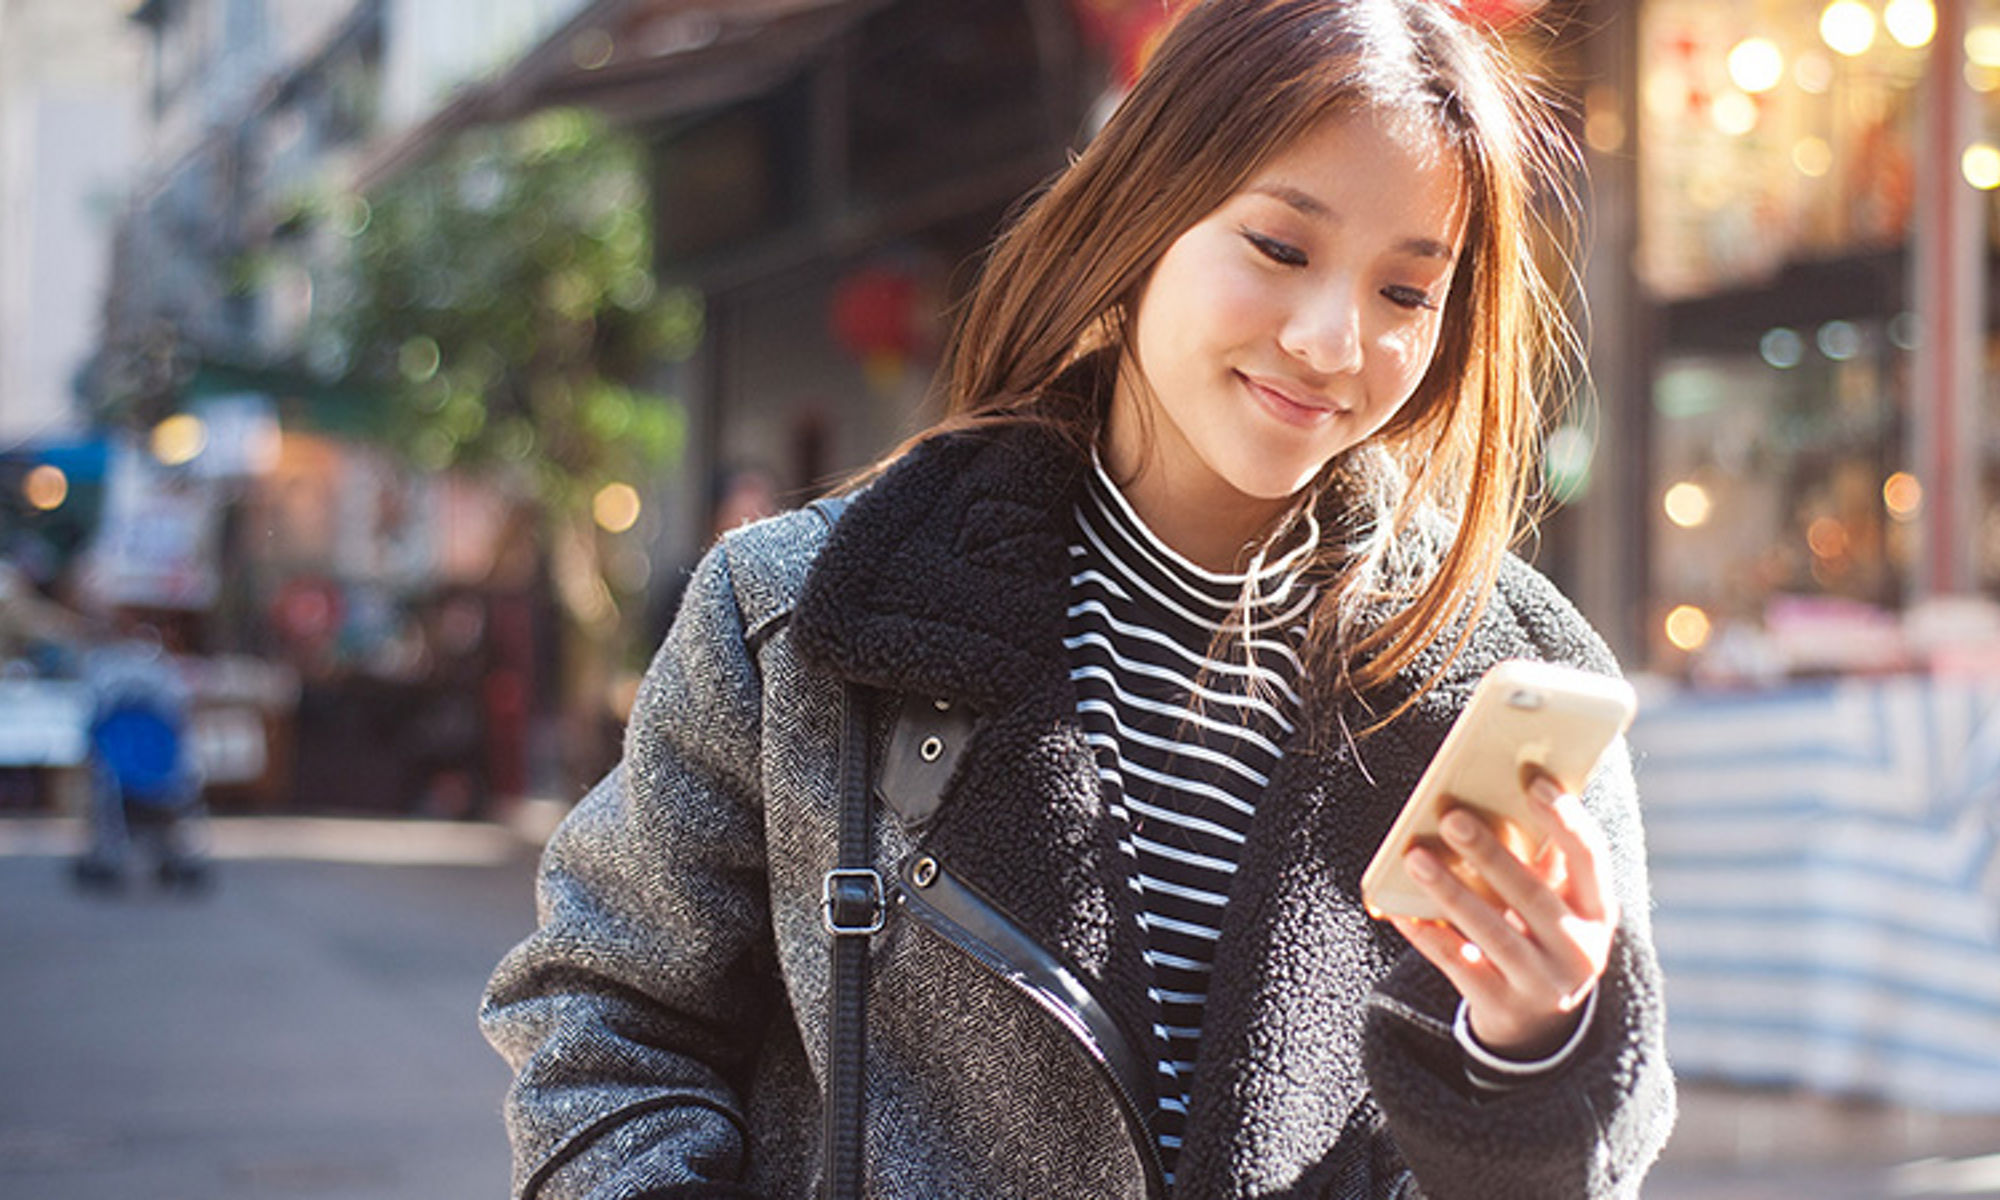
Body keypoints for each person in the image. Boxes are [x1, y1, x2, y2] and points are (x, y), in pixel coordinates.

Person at [479, 0, 1677, 1196]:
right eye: (1278, 246)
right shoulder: (801, 615)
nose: (1331, 338)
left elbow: (1600, 1158)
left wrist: (1534, 1057)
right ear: (1141, 222)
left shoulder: (1496, 673)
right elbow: (609, 1013)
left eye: (1405, 295)